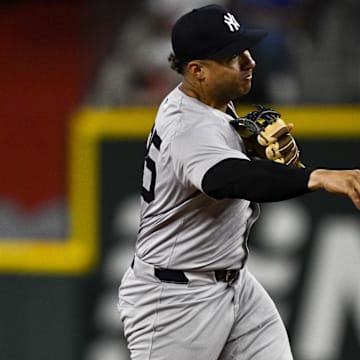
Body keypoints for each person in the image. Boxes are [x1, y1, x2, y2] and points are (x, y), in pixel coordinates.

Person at [117, 4, 360, 360]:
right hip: (173, 304)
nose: (250, 61)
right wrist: (317, 177)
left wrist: (246, 146)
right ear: (197, 70)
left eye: (245, 49)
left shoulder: (210, 103)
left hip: (234, 285)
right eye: (233, 57)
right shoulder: (188, 126)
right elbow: (230, 178)